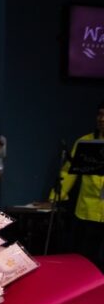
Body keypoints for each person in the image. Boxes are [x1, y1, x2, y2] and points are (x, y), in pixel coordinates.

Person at [54, 100, 104, 269]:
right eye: (100, 114)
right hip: (87, 209)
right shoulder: (85, 142)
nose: (102, 119)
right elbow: (69, 172)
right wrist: (56, 196)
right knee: (88, 256)